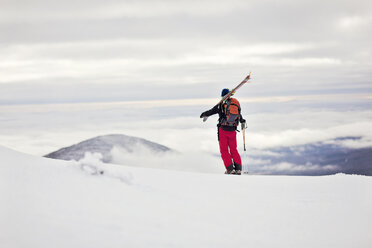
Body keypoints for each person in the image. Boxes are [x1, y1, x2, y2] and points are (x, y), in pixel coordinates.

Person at [200, 88, 246, 175]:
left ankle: (230, 169)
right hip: (233, 130)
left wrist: (203, 114)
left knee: (224, 150)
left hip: (223, 130)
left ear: (222, 96)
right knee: (233, 150)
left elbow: (211, 111)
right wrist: (242, 121)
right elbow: (239, 115)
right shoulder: (235, 103)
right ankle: (238, 169)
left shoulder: (220, 105)